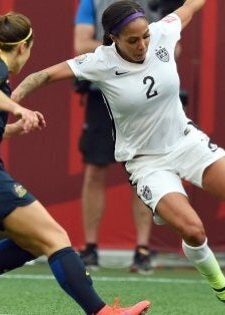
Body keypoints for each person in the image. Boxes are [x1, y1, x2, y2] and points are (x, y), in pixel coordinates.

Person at [12, 1, 225, 313]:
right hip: (146, 162)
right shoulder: (99, 62)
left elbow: (192, 5)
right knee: (193, 230)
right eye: (133, 40)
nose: (143, 45)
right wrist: (13, 104)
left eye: (145, 36)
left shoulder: (163, 32)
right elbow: (39, 76)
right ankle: (224, 289)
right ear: (113, 38)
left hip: (187, 141)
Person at [0, 13, 150, 315]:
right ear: (23, 47)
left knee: (33, 242)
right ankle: (102, 313)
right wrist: (17, 108)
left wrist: (9, 128)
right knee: (56, 238)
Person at [74, 0, 162, 275]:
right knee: (95, 169)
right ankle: (89, 248)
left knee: (143, 170)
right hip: (103, 92)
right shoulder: (93, 1)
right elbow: (81, 43)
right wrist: (126, 50)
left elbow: (172, 46)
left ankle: (143, 249)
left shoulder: (157, 3)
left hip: (143, 94)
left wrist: (136, 48)